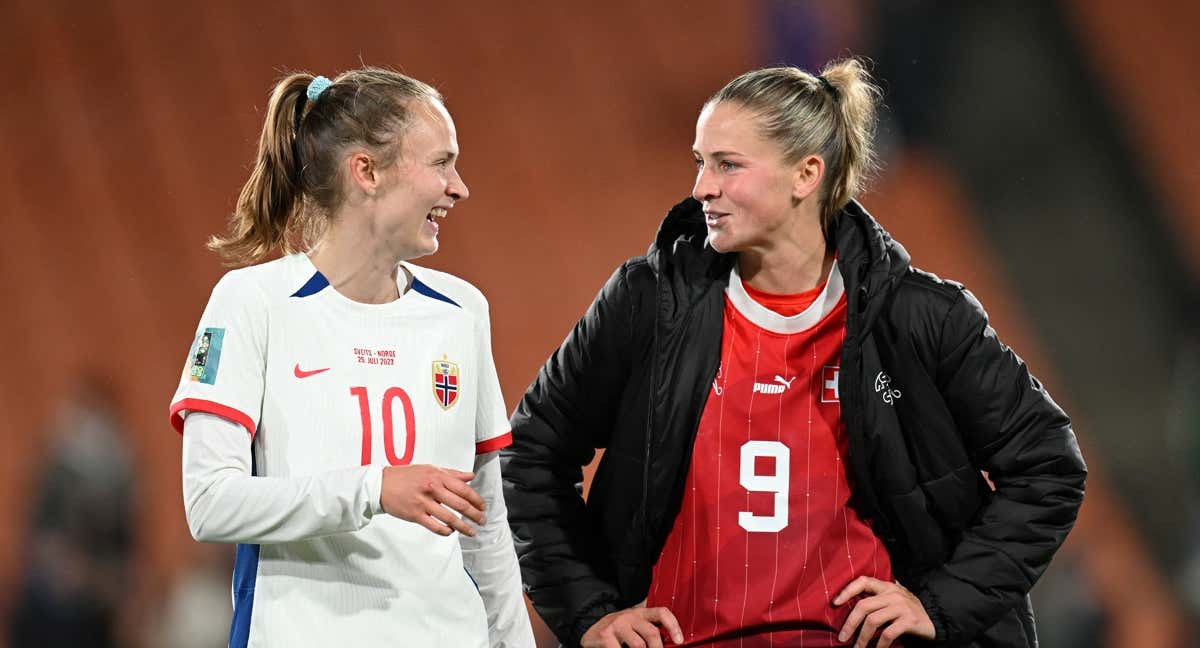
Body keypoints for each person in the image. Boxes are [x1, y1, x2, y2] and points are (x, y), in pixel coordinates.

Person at [503, 58, 1086, 647]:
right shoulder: (647, 302)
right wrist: (588, 612)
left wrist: (941, 604)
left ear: (807, 174)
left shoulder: (921, 317)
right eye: (701, 162)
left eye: (728, 165)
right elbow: (529, 452)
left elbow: (1048, 466)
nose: (702, 186)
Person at [169, 68, 534, 647]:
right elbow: (211, 503)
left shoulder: (462, 312)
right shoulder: (253, 303)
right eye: (441, 163)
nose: (459, 186)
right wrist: (373, 489)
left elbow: (484, 529)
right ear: (366, 171)